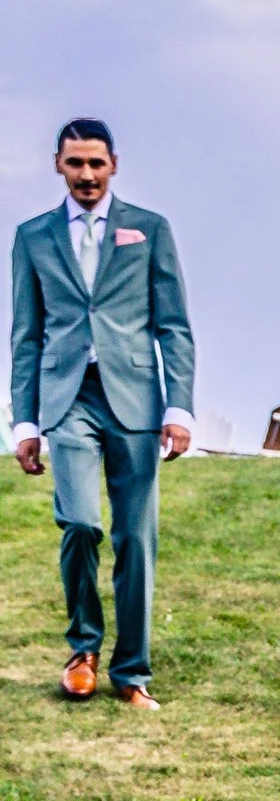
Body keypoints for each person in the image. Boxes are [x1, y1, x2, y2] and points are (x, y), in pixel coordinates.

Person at [10, 119, 195, 710]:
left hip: (136, 399)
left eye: (96, 163)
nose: (86, 174)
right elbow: (26, 335)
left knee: (137, 538)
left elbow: (173, 325)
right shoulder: (33, 237)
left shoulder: (149, 229)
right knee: (81, 523)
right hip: (67, 399)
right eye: (75, 164)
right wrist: (25, 422)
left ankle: (131, 671)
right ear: (57, 166)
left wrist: (179, 407)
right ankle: (83, 650)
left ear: (113, 164)